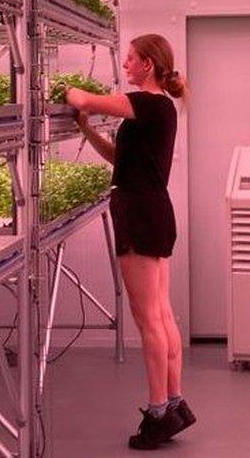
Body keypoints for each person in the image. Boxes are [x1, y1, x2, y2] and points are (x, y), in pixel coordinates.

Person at [66, 34, 197, 450]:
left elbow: (82, 97)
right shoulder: (158, 110)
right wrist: (87, 131)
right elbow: (119, 160)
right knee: (162, 313)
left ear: (149, 66)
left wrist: (63, 92)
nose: (125, 64)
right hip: (153, 210)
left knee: (148, 320)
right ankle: (175, 404)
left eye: (131, 59)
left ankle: (157, 413)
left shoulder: (145, 103)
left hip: (139, 214)